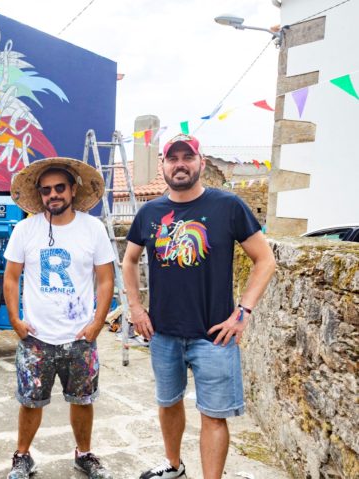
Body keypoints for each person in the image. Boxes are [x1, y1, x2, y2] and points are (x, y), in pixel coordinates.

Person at [122, 134, 276, 479]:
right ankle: (174, 466)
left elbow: (265, 260)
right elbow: (128, 260)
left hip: (214, 335)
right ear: (163, 165)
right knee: (168, 403)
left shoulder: (228, 206)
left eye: (187, 157)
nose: (180, 164)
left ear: (201, 163)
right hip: (163, 333)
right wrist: (136, 308)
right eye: (173, 158)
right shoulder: (149, 212)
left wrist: (243, 313)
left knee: (214, 415)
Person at [2, 158, 116, 479]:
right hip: (36, 338)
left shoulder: (93, 229)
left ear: (73, 189)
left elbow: (105, 279)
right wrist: (15, 320)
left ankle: (84, 454)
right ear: (39, 194)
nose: (53, 194)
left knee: (82, 400)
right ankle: (22, 456)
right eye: (46, 190)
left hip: (80, 337)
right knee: (30, 402)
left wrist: (97, 323)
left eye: (59, 188)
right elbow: (11, 277)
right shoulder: (26, 230)